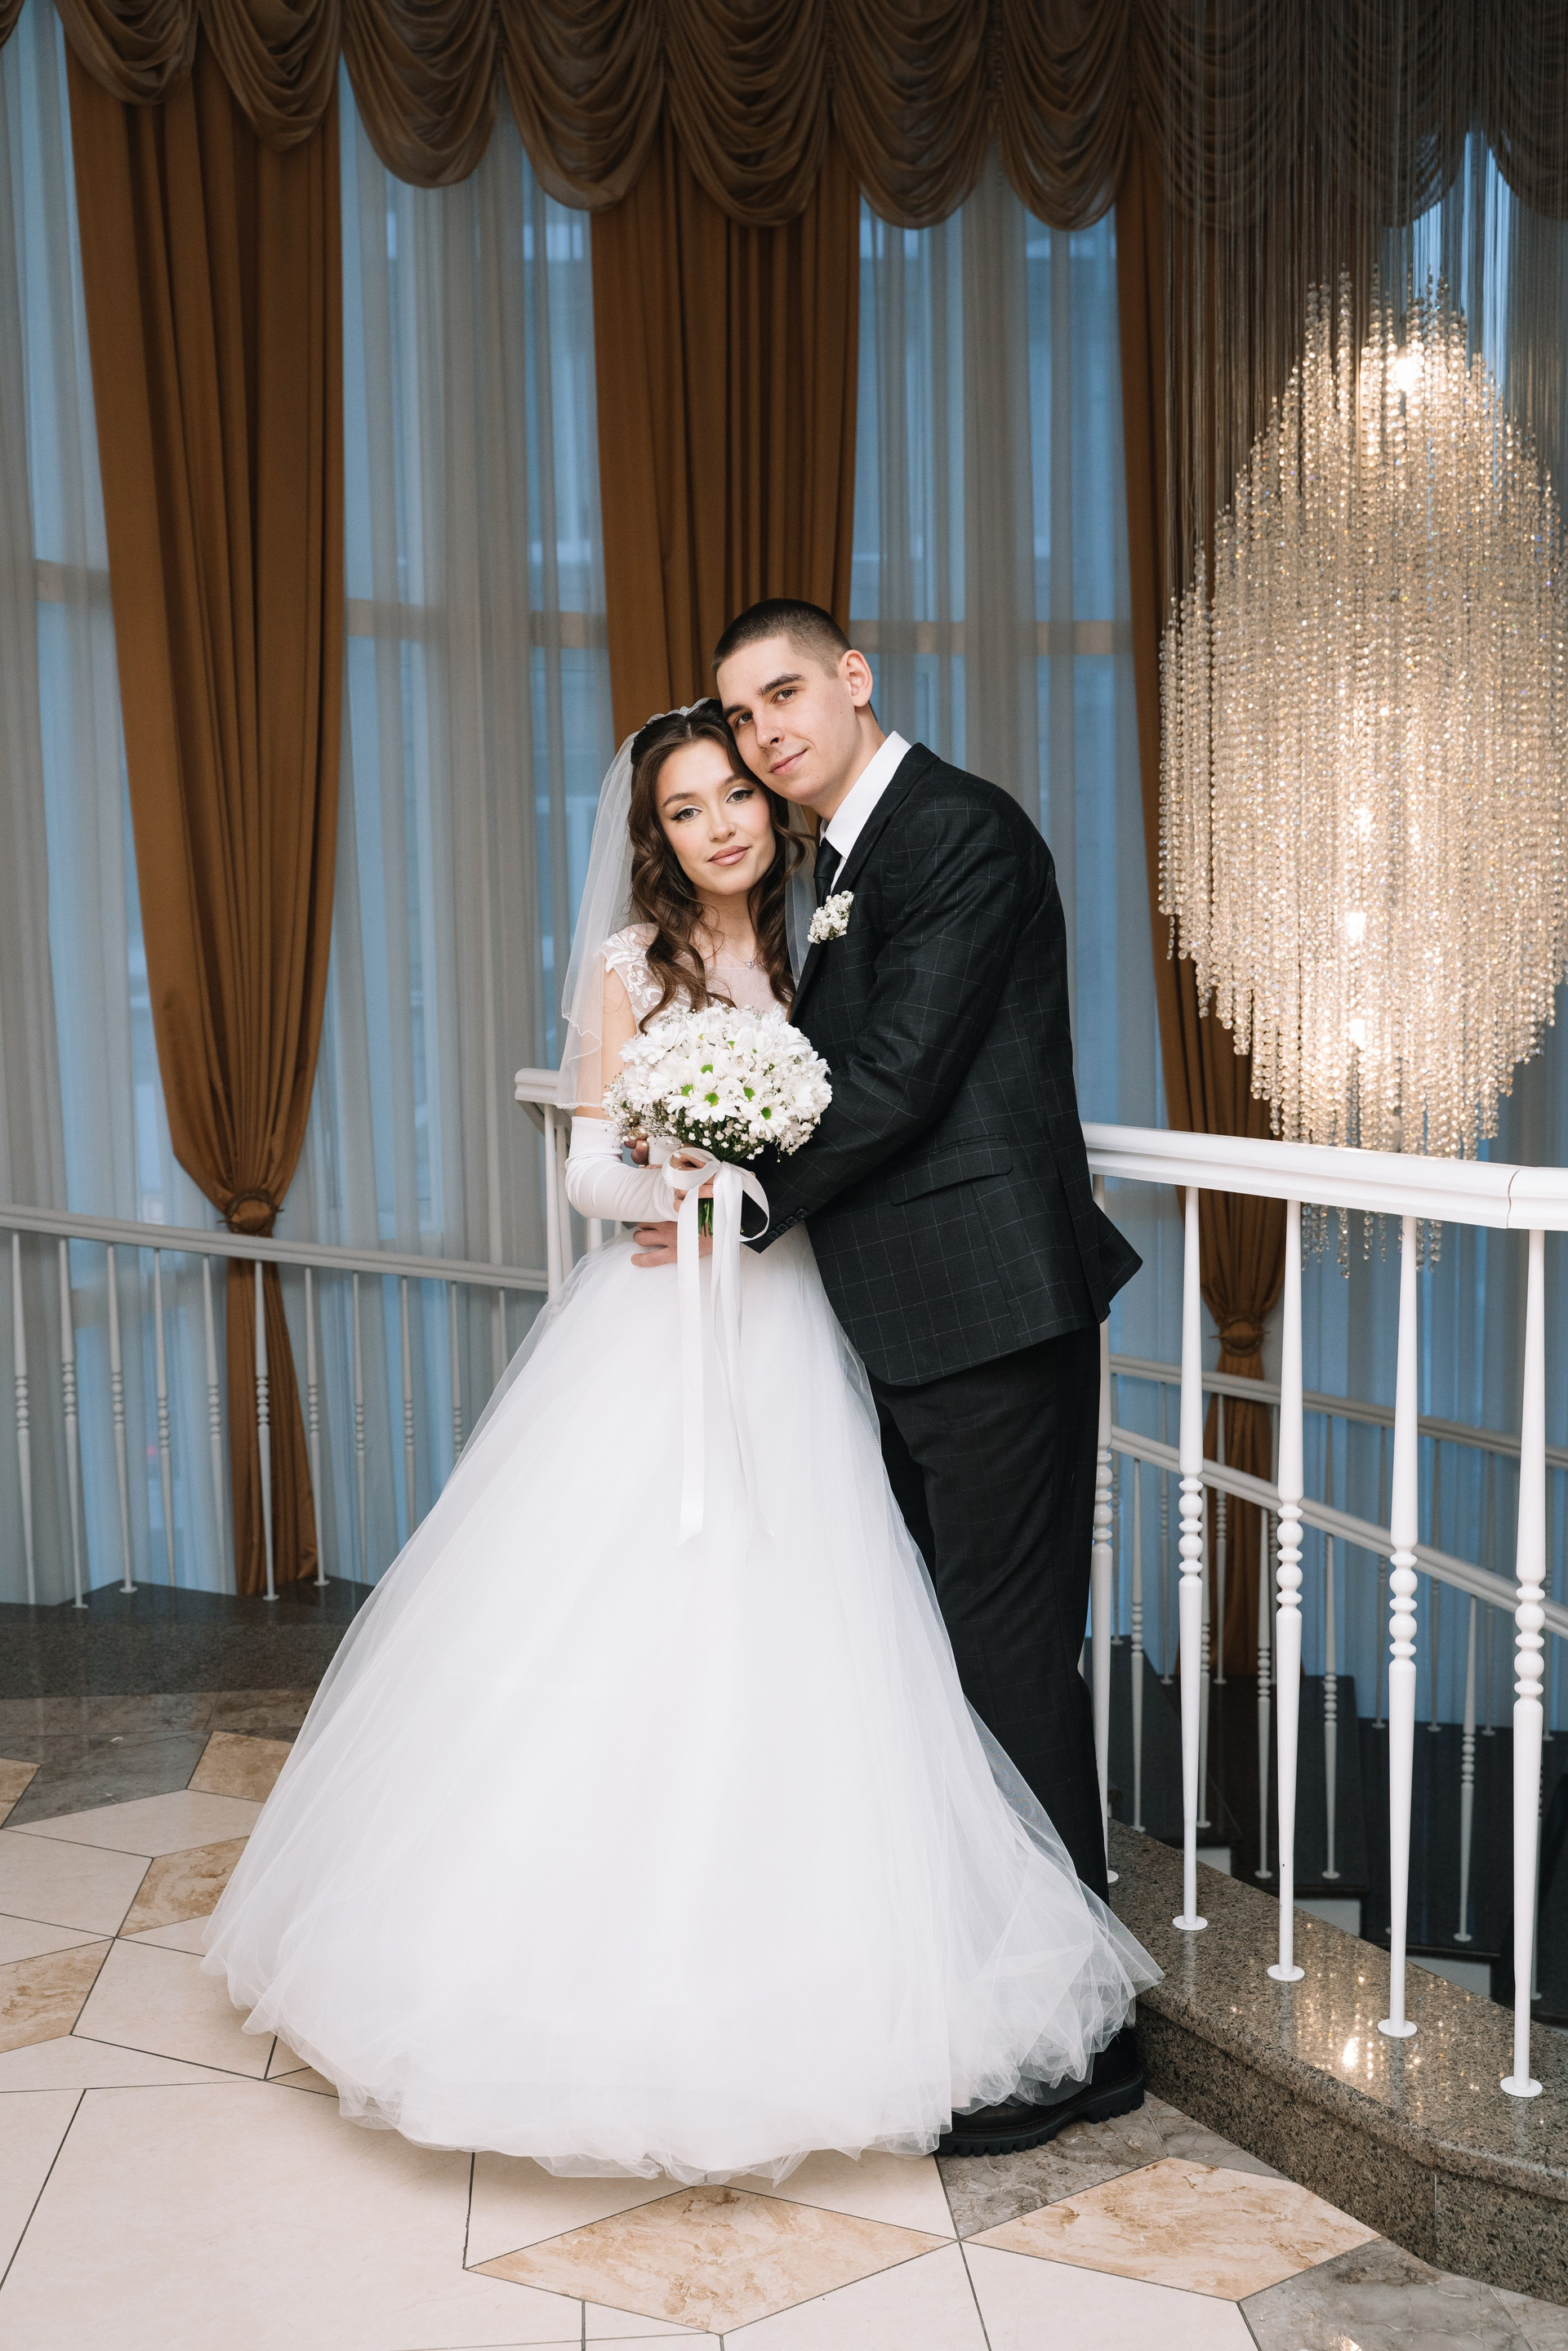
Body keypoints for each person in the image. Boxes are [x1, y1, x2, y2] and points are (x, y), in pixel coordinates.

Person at [201, 699, 1155, 2184]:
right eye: (687, 808)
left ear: (772, 806)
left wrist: (753, 1195)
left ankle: (871, 1958)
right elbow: (592, 1170)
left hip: (814, 1322)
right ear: (654, 835)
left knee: (839, 1623)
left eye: (736, 795)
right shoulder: (630, 965)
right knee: (643, 1613)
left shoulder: (824, 943)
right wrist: (691, 1192)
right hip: (673, 1331)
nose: (720, 825)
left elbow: (888, 1101)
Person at [632, 602, 1145, 2155]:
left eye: (786, 693)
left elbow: (904, 1075)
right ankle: (1007, 2000)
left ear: (853, 680)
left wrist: (745, 1205)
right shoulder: (841, 860)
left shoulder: (954, 830)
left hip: (990, 1311)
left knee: (1008, 1661)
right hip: (917, 1320)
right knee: (957, 1665)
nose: (768, 731)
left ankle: (1085, 2046)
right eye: (745, 714)